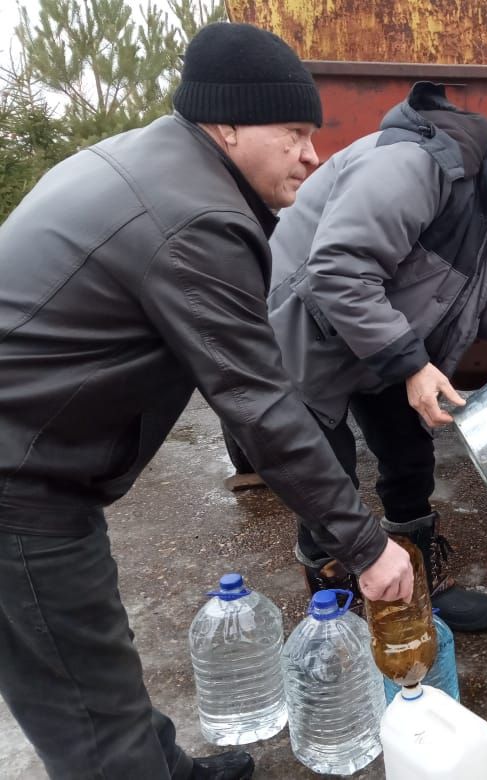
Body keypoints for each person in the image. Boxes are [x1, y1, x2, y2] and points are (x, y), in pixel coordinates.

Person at [0, 22, 414, 779]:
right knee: (87, 715)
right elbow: (258, 406)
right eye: (294, 132)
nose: (311, 154)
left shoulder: (154, 165)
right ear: (226, 125)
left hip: (32, 450)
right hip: (16, 477)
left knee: (90, 658)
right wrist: (365, 545)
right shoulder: (194, 219)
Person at [267, 81, 487, 633]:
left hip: (378, 333)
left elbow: (459, 294)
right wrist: (413, 365)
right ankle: (335, 603)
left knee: (410, 454)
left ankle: (417, 576)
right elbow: (339, 272)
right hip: (304, 326)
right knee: (325, 476)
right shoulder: (418, 163)